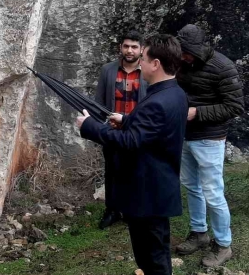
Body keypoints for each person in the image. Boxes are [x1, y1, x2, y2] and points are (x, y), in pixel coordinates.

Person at [77, 34, 187, 275]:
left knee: (152, 257)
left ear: (155, 64)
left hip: (147, 191)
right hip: (157, 187)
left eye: (144, 59)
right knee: (155, 251)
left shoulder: (157, 101)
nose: (140, 64)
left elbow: (131, 142)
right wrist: (127, 119)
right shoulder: (175, 93)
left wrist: (89, 126)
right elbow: (153, 131)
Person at [174, 24, 244, 268]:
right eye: (180, 52)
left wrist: (197, 113)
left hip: (210, 138)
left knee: (213, 192)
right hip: (184, 136)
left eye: (186, 52)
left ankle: (224, 245)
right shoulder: (182, 63)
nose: (182, 57)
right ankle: (198, 233)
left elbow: (235, 106)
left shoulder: (223, 67)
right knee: (192, 187)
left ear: (197, 48)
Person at [93, 31, 148, 229]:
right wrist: (100, 127)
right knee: (112, 170)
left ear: (141, 49)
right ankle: (112, 210)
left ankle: (133, 210)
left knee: (136, 171)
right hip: (113, 130)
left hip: (137, 130)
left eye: (134, 47)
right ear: (120, 48)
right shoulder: (108, 70)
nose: (130, 50)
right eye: (126, 46)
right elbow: (99, 102)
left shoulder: (147, 72)